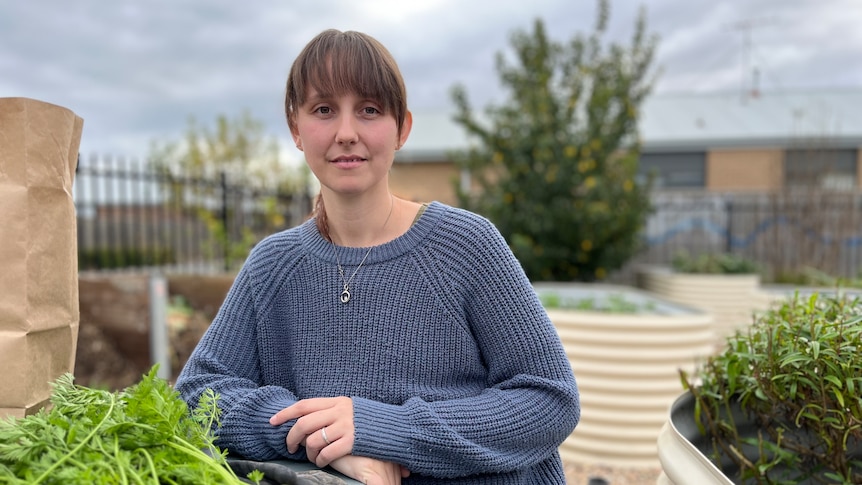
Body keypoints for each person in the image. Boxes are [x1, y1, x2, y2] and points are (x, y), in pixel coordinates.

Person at [175, 28, 580, 485]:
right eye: (324, 110)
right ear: (295, 128)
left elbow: (549, 399)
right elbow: (195, 396)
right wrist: (321, 438)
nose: (346, 133)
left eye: (369, 111)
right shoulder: (273, 266)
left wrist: (382, 429)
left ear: (402, 128)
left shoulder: (465, 246)